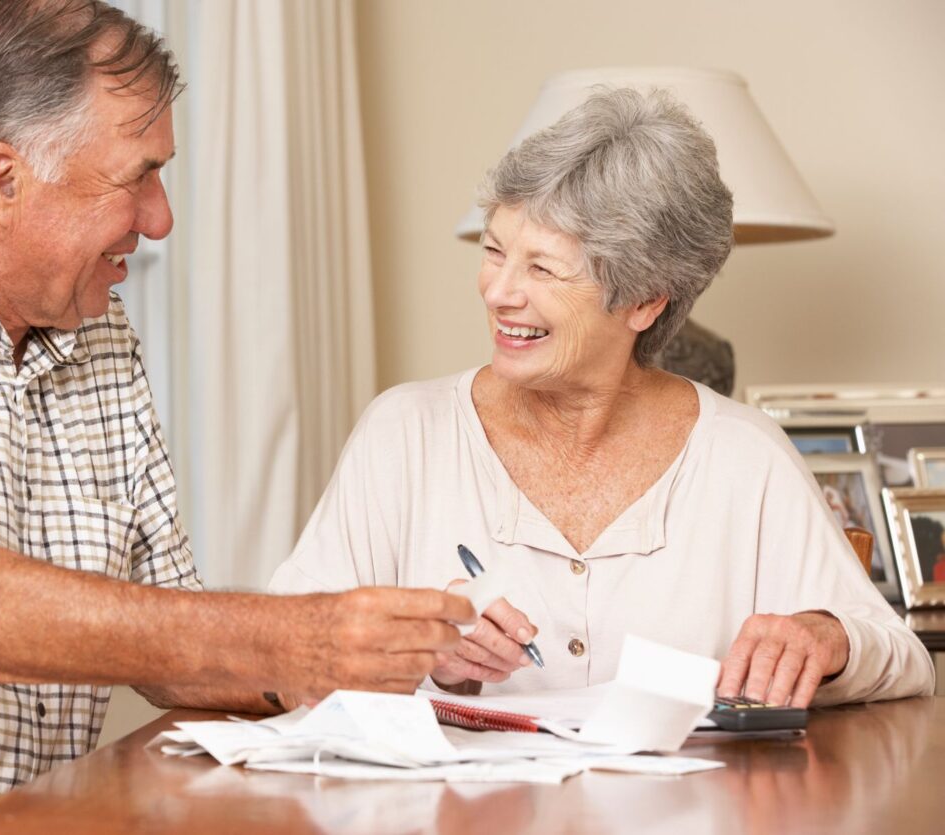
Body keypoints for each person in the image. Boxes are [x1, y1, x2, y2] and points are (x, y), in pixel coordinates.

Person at [0, 1, 473, 830]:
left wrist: (383, 651)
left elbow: (176, 650)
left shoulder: (95, 331)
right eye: (138, 176)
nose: (160, 219)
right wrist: (293, 636)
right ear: (2, 179)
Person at [270, 87, 935, 706]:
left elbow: (903, 657)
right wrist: (414, 649)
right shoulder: (404, 435)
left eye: (542, 268)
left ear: (644, 300)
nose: (498, 290)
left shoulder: (743, 457)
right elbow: (279, 657)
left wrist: (827, 635)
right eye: (495, 249)